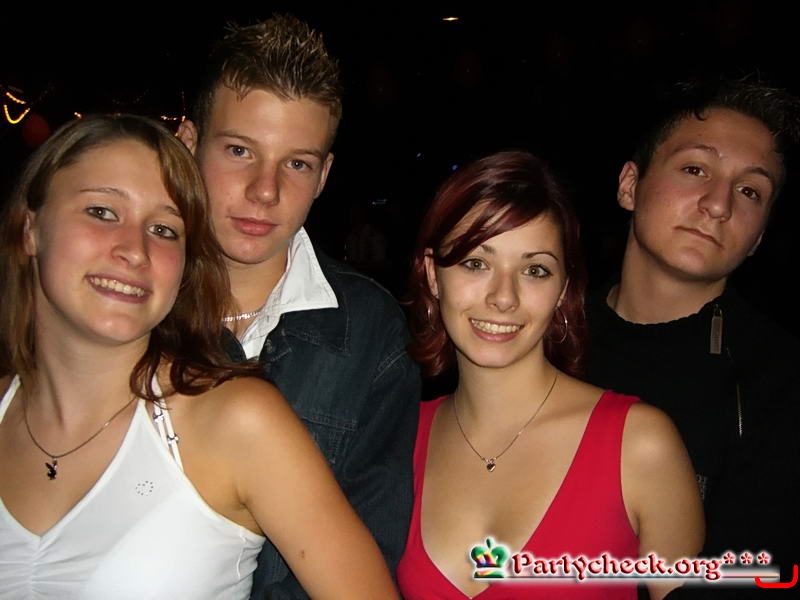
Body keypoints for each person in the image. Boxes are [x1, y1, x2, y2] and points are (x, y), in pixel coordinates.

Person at [0, 113, 401, 600]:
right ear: (30, 228)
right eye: (102, 212)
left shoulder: (238, 420)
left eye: (164, 229)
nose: (134, 250)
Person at [175, 13, 420, 599]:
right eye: (240, 150)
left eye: (297, 163)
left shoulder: (371, 332)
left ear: (324, 174)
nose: (266, 190)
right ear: (187, 143)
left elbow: (366, 550)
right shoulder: (128, 302)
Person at [397, 150, 704, 600]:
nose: (503, 297)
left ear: (562, 289)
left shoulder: (638, 444)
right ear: (432, 274)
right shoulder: (399, 437)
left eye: (534, 270)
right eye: (476, 263)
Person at [583, 77, 800, 596]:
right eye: (695, 169)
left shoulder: (778, 383)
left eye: (750, 191)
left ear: (759, 236)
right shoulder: (541, 335)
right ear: (630, 185)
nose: (719, 204)